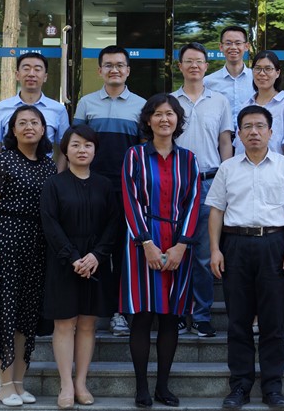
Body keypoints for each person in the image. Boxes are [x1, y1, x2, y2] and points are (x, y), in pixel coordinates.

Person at [208, 105, 284, 410]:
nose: (254, 132)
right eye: (248, 127)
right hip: (235, 244)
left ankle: (273, 387)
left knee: (272, 320)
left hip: (274, 244)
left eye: (260, 126)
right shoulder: (228, 168)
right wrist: (215, 249)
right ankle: (239, 386)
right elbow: (216, 211)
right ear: (238, 134)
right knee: (238, 319)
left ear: (271, 132)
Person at [0, 105, 57, 407]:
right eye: (22, 122)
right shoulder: (3, 161)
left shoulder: (49, 166)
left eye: (35, 122)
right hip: (6, 241)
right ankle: (4, 384)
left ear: (44, 129)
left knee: (25, 316)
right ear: (13, 130)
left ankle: (19, 382)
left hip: (37, 246)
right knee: (3, 313)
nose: (29, 127)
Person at [121, 94, 201, 408]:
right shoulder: (135, 155)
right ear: (148, 120)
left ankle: (163, 387)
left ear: (178, 120)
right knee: (142, 317)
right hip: (142, 242)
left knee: (170, 318)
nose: (164, 119)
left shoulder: (189, 159)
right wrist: (147, 243)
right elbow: (130, 200)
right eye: (157, 114)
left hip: (178, 242)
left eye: (170, 114)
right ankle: (141, 388)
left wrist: (182, 245)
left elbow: (194, 202)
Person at [40, 125, 119, 409]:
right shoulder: (54, 184)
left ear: (95, 150)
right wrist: (73, 257)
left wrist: (97, 256)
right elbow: (50, 224)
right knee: (64, 324)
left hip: (96, 263)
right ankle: (65, 384)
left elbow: (114, 224)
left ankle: (81, 382)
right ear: (65, 150)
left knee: (87, 324)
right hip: (64, 263)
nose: (82, 150)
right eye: (75, 145)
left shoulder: (104, 185)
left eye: (87, 145)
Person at [73, 45, 147, 338]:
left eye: (119, 65)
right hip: (91, 187)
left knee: (122, 252)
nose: (114, 70)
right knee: (91, 246)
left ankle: (119, 312)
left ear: (128, 70)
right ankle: (89, 308)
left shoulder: (141, 105)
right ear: (100, 70)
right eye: (108, 65)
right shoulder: (86, 103)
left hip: (127, 189)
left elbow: (144, 151)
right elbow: (74, 144)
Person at [171, 42, 233, 338]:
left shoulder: (220, 101)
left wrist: (227, 179)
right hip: (176, 183)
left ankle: (201, 315)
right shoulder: (170, 101)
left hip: (210, 181)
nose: (194, 65)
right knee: (176, 250)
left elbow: (225, 142)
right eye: (188, 61)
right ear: (180, 66)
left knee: (204, 254)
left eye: (199, 61)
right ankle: (176, 312)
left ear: (207, 67)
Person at [0, 51, 70, 173]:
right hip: (9, 176)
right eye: (26, 69)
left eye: (37, 69)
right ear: (17, 75)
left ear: (45, 76)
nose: (31, 74)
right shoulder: (1, 108)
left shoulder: (58, 110)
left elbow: (64, 150)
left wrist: (57, 178)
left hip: (45, 175)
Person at [234, 51, 284, 159]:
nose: (262, 73)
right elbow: (239, 143)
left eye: (268, 69)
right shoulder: (246, 105)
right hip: (245, 166)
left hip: (275, 166)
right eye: (257, 68)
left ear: (277, 73)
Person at [204, 26, 256, 128]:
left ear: (246, 46)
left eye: (238, 43)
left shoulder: (256, 79)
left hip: (250, 135)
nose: (233, 47)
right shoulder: (208, 82)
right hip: (219, 136)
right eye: (228, 43)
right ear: (221, 47)